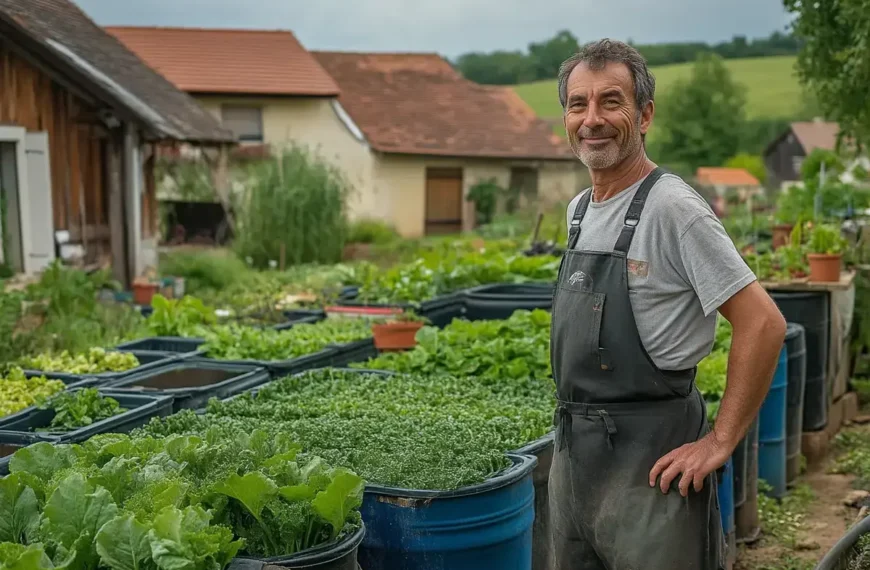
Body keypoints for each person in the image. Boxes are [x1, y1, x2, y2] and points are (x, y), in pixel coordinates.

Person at [548, 39, 787, 570]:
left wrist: (721, 439)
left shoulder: (673, 208)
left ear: (645, 114)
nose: (592, 119)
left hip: (652, 465)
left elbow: (763, 323)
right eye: (577, 104)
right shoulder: (580, 209)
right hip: (574, 461)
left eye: (612, 102)